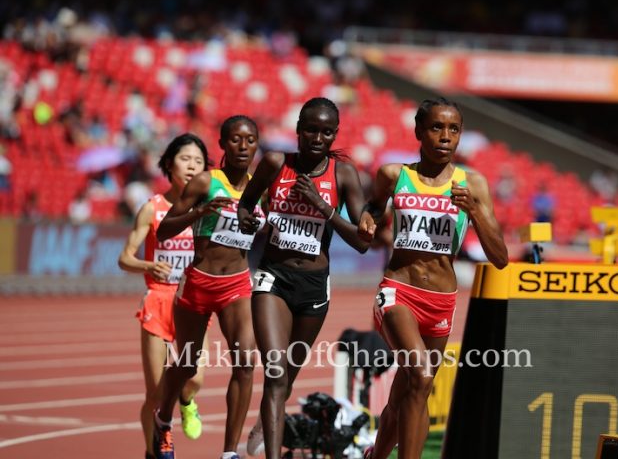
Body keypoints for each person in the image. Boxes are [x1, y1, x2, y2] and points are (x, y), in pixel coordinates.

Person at [358, 97, 508, 459]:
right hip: (398, 291)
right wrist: (369, 216)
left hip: (441, 301)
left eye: (453, 129)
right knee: (422, 376)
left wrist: (474, 210)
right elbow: (374, 205)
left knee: (411, 394)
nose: (445, 136)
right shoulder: (395, 175)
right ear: (419, 132)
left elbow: (500, 257)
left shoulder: (472, 184)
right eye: (436, 128)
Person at [237, 97, 369, 458]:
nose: (317, 137)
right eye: (310, 129)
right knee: (276, 374)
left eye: (327, 132)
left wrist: (323, 206)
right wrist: (247, 218)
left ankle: (267, 420)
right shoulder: (276, 163)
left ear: (334, 135)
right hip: (273, 277)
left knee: (287, 377)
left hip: (314, 287)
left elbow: (361, 241)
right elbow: (245, 203)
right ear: (298, 128)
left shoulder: (342, 174)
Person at [152, 116, 265, 459]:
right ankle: (163, 420)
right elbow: (165, 230)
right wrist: (199, 211)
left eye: (250, 140)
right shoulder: (205, 181)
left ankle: (229, 452)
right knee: (186, 365)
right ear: (222, 144)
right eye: (235, 139)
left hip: (237, 284)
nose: (243, 146)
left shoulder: (260, 188)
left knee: (246, 364)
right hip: (199, 283)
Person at [117, 133, 210, 459]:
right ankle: (153, 450)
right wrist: (146, 264)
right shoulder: (153, 208)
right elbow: (124, 258)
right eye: (186, 158)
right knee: (155, 392)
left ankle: (186, 402)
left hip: (194, 302)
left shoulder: (206, 209)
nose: (192, 166)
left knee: (194, 379)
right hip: (158, 300)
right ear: (169, 164)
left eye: (199, 161)